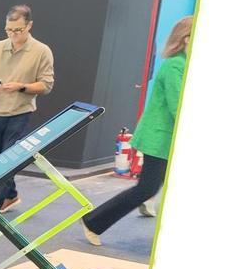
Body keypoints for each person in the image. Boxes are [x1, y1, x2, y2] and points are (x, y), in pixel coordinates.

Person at [82, 16, 192, 246]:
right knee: (146, 187)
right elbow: (177, 105)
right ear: (186, 39)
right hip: (159, 137)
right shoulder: (176, 65)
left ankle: (147, 205)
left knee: (151, 185)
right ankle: (93, 221)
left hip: (165, 137)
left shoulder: (184, 63)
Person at [0, 4, 54, 229]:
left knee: (7, 161)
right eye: (9, 30)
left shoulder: (41, 51)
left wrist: (21, 87)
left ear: (29, 25)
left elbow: (46, 85)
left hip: (20, 113)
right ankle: (11, 195)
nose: (12, 34)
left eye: (18, 30)